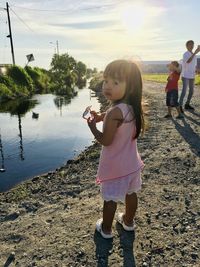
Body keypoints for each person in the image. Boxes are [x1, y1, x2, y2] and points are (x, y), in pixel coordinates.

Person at [86, 59, 144, 238]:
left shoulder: (114, 113)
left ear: (131, 87)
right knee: (131, 192)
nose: (107, 86)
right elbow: (118, 118)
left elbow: (106, 140)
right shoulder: (133, 108)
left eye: (115, 82)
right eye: (106, 81)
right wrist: (103, 116)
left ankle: (106, 229)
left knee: (110, 198)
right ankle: (128, 221)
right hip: (132, 163)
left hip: (114, 167)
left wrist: (93, 127)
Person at [179, 40, 200, 112]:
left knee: (191, 91)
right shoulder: (185, 54)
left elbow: (194, 65)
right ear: (187, 46)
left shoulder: (195, 55)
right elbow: (188, 61)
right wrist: (195, 53)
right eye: (190, 44)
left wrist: (197, 70)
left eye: (193, 44)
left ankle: (187, 104)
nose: (192, 46)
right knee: (184, 91)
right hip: (185, 75)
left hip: (192, 75)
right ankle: (179, 105)